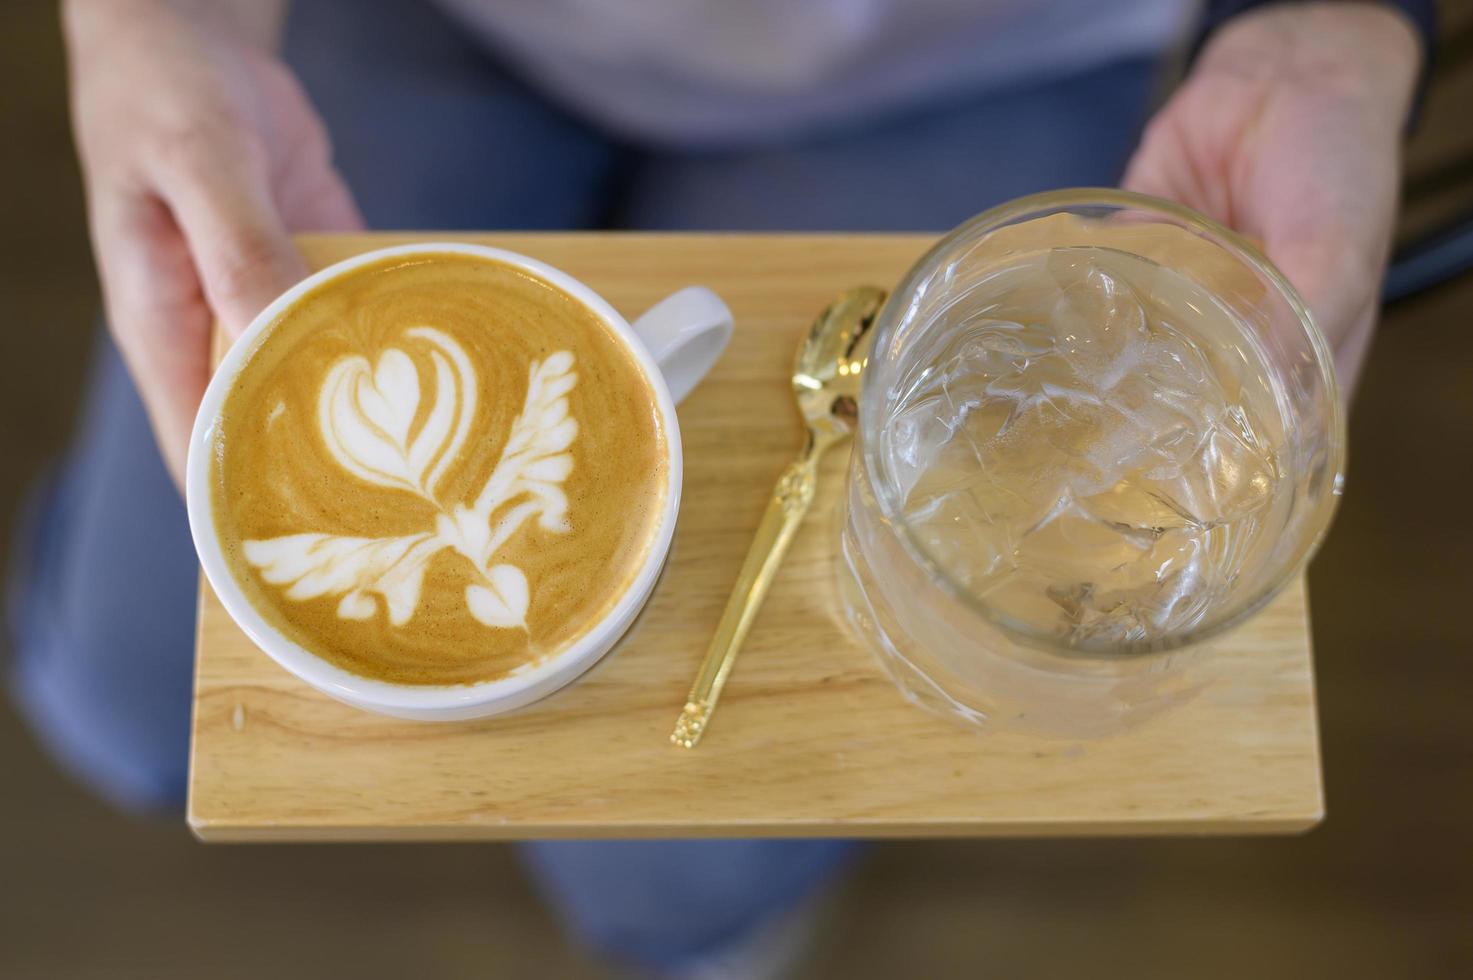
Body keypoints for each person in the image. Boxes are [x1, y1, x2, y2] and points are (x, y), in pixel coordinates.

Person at [13, 0, 1430, 974]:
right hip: (422, 18)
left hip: (983, 53)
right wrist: (154, 26)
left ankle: (677, 931)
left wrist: (1325, 28)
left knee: (672, 873)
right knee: (131, 686)